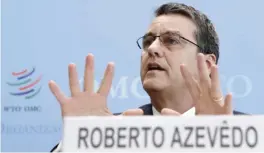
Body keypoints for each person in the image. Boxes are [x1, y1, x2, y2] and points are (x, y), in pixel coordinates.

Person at [49, 2, 245, 152]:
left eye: (171, 40)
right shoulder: (111, 134)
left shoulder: (245, 137)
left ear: (207, 64)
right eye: (148, 41)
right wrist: (78, 141)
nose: (152, 49)